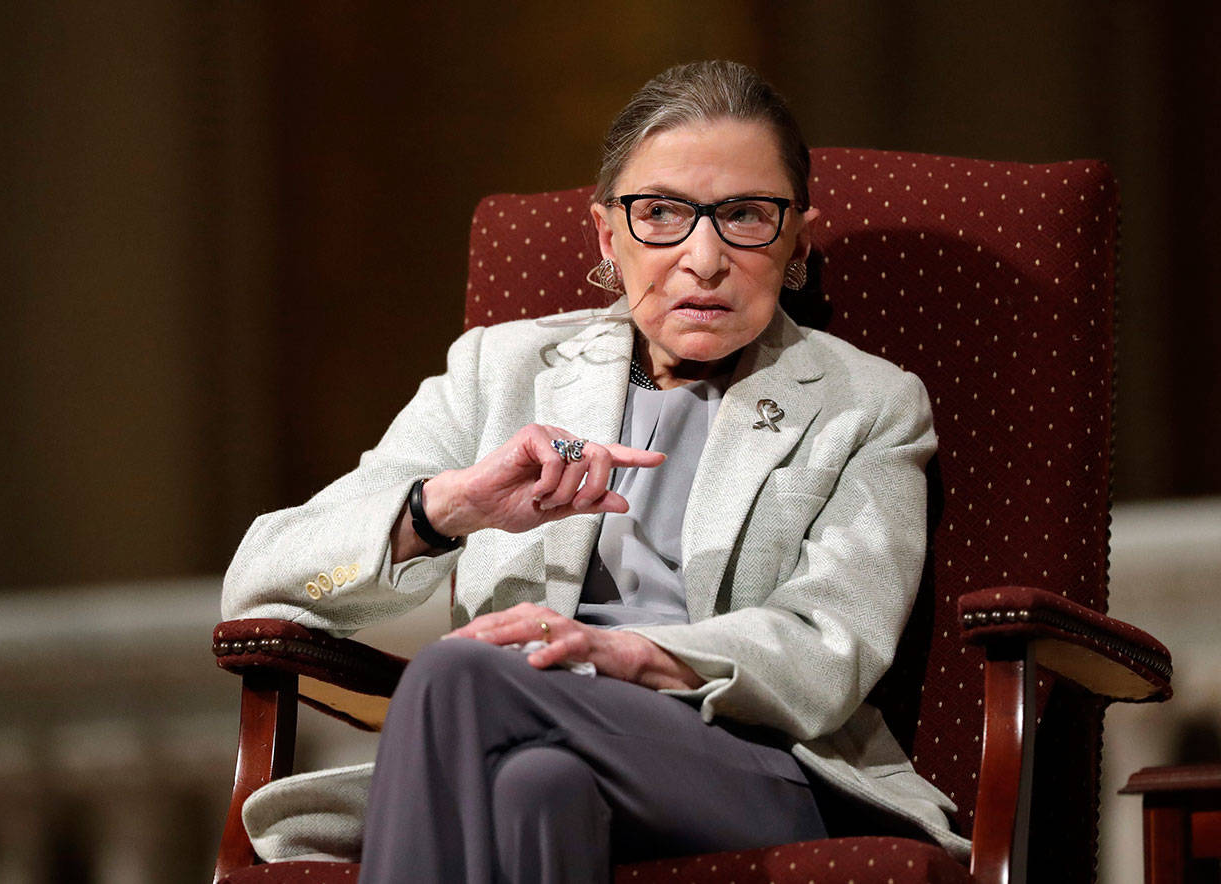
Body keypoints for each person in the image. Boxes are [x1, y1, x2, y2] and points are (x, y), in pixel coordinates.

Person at [223, 60, 971, 882]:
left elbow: (831, 647)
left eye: (746, 216)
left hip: (759, 763)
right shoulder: (499, 371)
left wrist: (628, 653)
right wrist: (452, 507)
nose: (704, 257)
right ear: (607, 235)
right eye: (660, 215)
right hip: (526, 745)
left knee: (460, 673)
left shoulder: (867, 402)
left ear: (795, 236)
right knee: (537, 790)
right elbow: (264, 582)